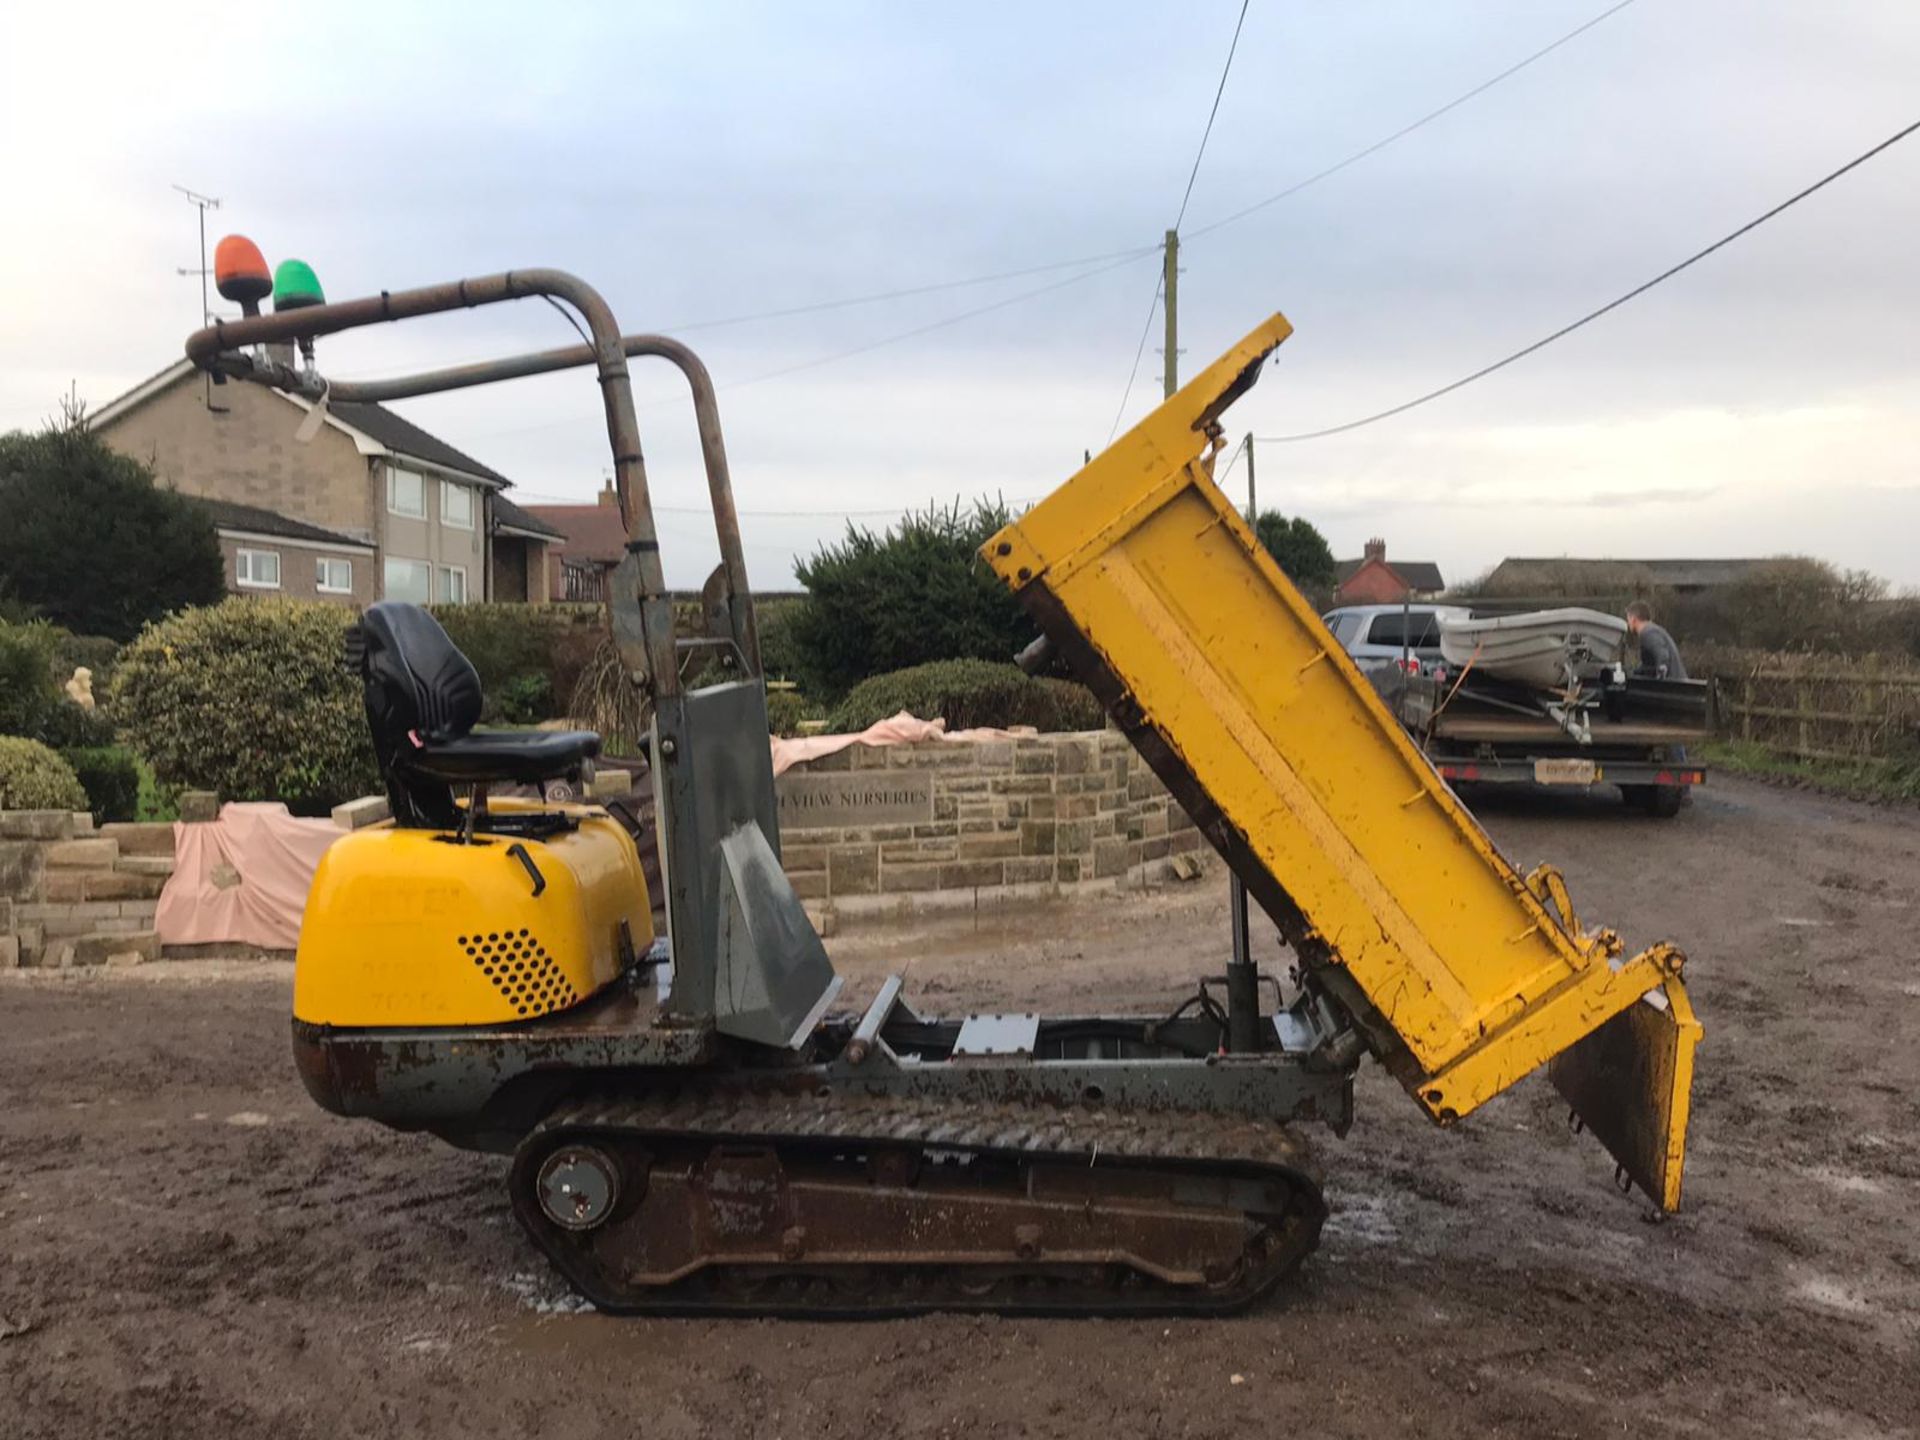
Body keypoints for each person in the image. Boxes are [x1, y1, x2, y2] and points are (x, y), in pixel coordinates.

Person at [1625, 601, 1686, 680]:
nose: (1628, 623)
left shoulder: (1649, 633)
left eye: (1628, 619)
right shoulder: (1652, 631)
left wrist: (1661, 674)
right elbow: (1648, 665)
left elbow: (1662, 654)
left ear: (1633, 619)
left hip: (1673, 686)